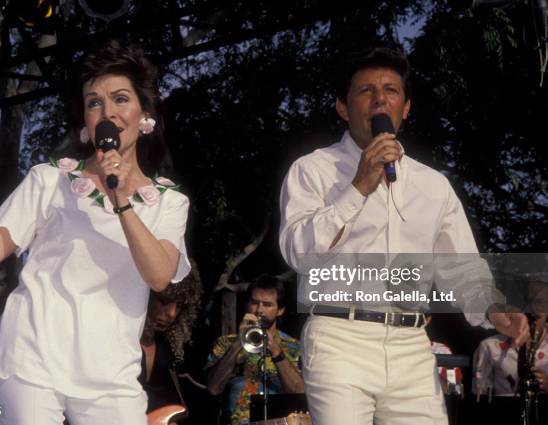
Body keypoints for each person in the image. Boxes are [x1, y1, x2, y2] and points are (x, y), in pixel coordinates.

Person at [278, 47, 529, 425]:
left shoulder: (433, 185)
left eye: (391, 90)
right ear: (343, 108)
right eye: (366, 91)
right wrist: (358, 188)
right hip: (339, 339)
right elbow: (297, 253)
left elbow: (460, 269)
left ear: (405, 107)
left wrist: (493, 308)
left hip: (412, 346)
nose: (380, 98)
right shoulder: (311, 170)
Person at [0, 39, 190, 425]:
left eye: (120, 99)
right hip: (32, 355)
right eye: (94, 102)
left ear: (144, 115)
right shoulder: (49, 180)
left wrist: (120, 198)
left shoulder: (168, 202)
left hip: (111, 372)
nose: (107, 112)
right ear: (85, 122)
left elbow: (159, 274)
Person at [206, 275, 304, 425]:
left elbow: (299, 394)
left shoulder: (294, 348)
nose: (259, 310)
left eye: (267, 304)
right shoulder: (226, 343)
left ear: (280, 310)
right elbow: (213, 388)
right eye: (254, 302)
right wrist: (239, 342)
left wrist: (277, 352)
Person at [139, 268, 203, 424]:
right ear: (145, 296)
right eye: (164, 301)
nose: (172, 314)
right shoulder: (120, 343)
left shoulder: (166, 349)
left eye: (179, 305)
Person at [473, 277, 548, 396]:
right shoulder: (490, 347)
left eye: (540, 302)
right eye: (528, 301)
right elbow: (479, 397)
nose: (532, 308)